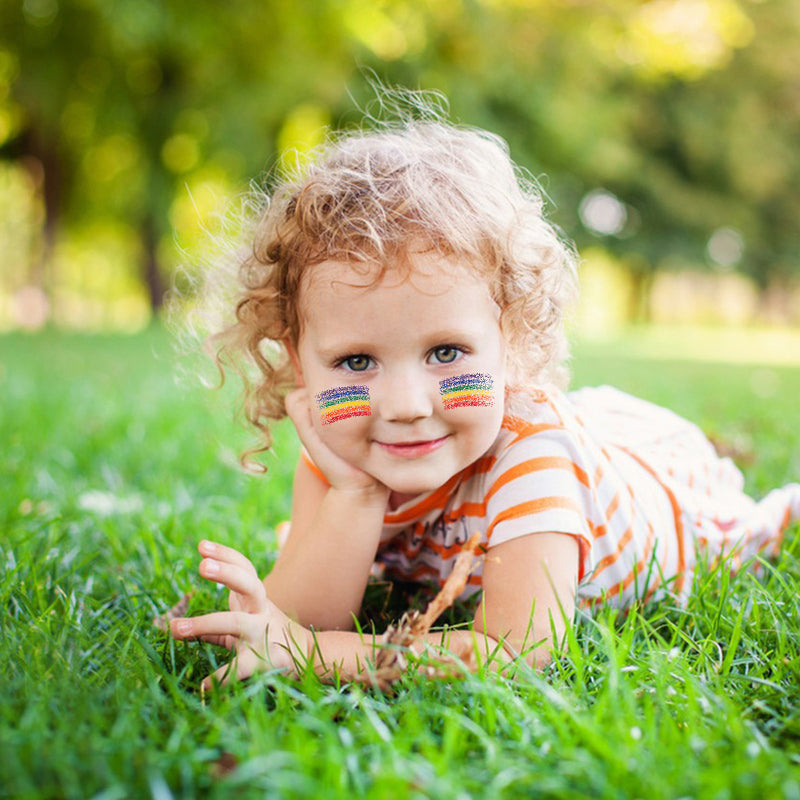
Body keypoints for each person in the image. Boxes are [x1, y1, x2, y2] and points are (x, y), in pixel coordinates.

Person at [169, 99, 800, 690]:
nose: (406, 405)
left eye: (446, 353)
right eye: (356, 361)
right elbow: (300, 615)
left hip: (655, 490)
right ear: (296, 357)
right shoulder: (343, 444)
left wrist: (315, 656)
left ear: (512, 338)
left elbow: (518, 654)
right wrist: (355, 496)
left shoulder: (529, 460)